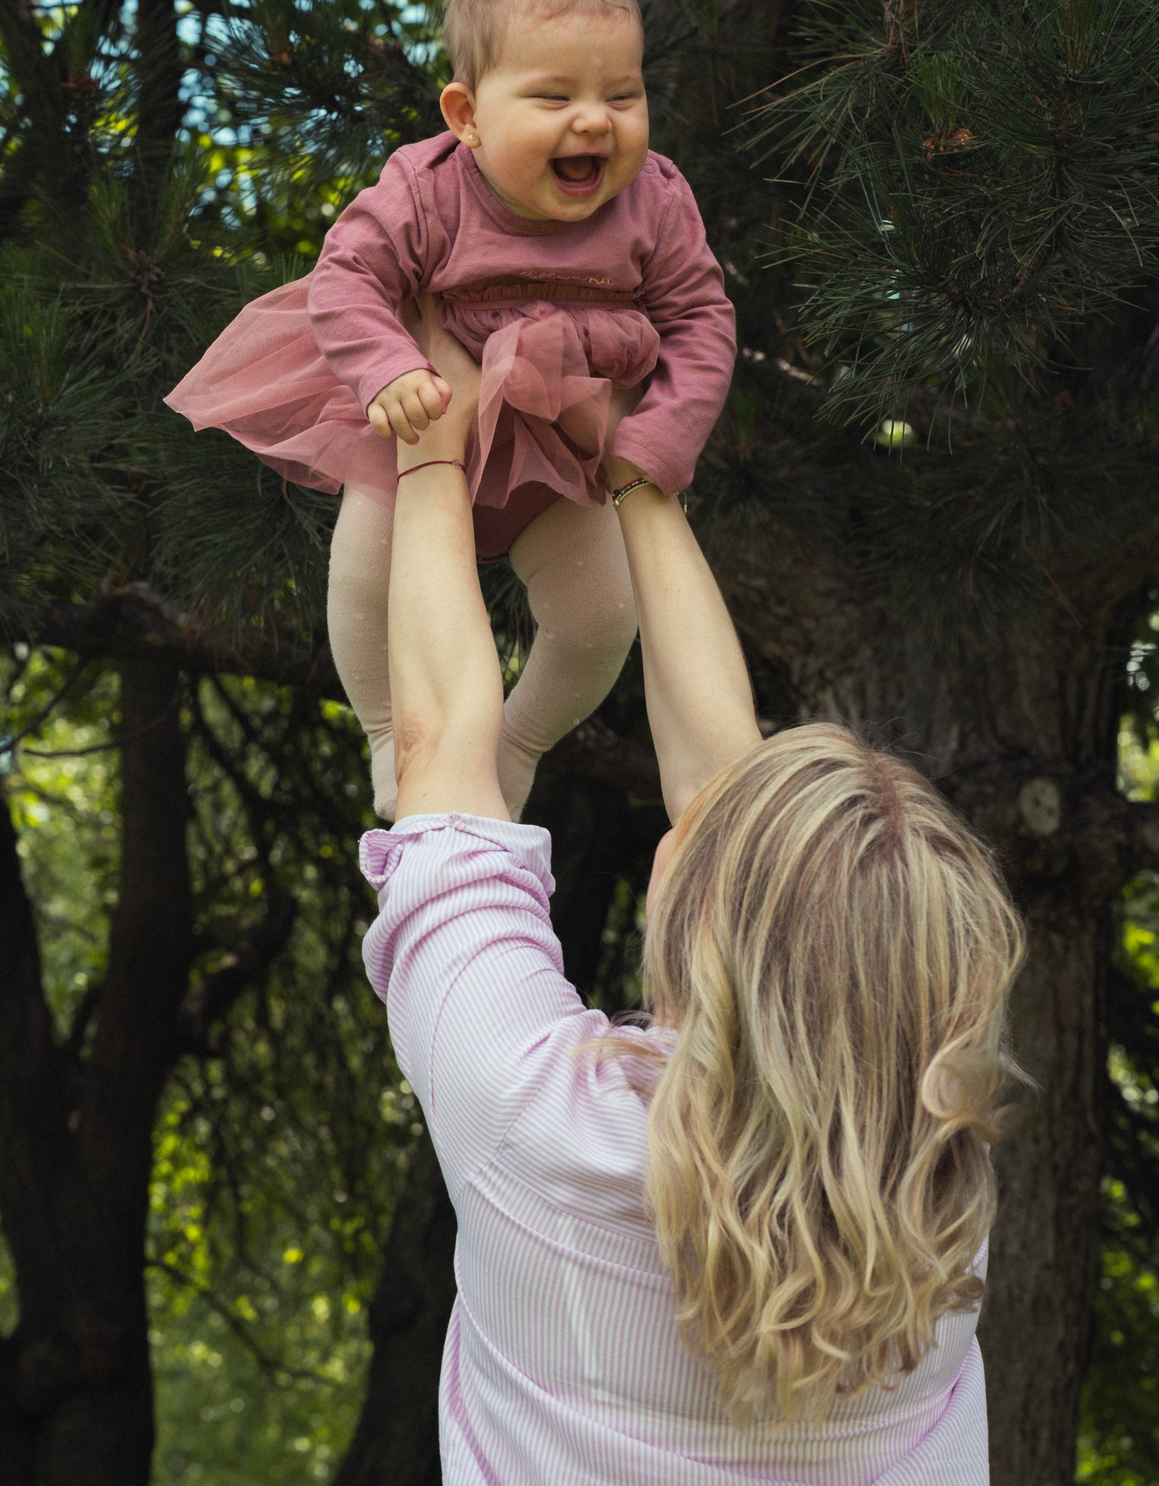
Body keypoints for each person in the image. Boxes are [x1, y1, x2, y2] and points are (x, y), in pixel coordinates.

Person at [363, 311, 1023, 1482]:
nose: (692, 821)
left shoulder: (531, 1120)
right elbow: (773, 902)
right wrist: (628, 464)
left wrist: (430, 448)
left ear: (713, 925)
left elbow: (435, 746)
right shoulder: (939, 1218)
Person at [166, 0, 737, 822]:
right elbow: (347, 275)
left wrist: (655, 438)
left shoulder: (654, 202)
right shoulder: (429, 187)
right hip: (427, 422)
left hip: (567, 448)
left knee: (602, 617)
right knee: (363, 579)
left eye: (622, 95)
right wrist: (389, 366)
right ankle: (395, 735)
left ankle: (518, 742)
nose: (595, 121)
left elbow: (701, 320)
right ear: (467, 114)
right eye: (555, 96)